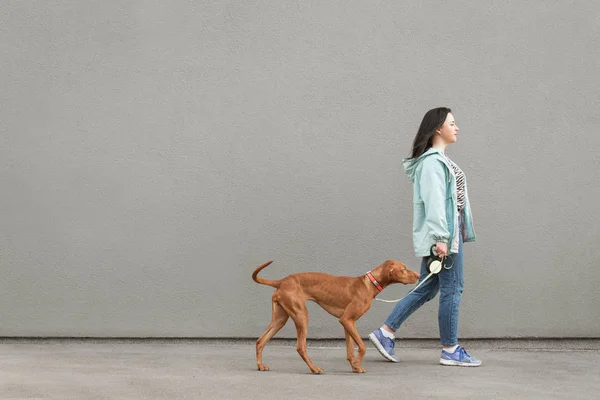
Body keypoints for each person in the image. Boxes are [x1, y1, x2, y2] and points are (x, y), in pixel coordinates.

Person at [368, 107, 481, 367]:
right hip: (444, 237)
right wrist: (442, 237)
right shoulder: (432, 163)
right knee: (453, 289)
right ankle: (450, 349)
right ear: (438, 128)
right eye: (452, 123)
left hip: (446, 235)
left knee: (427, 287)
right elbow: (434, 203)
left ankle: (385, 333)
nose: (457, 127)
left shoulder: (439, 160)